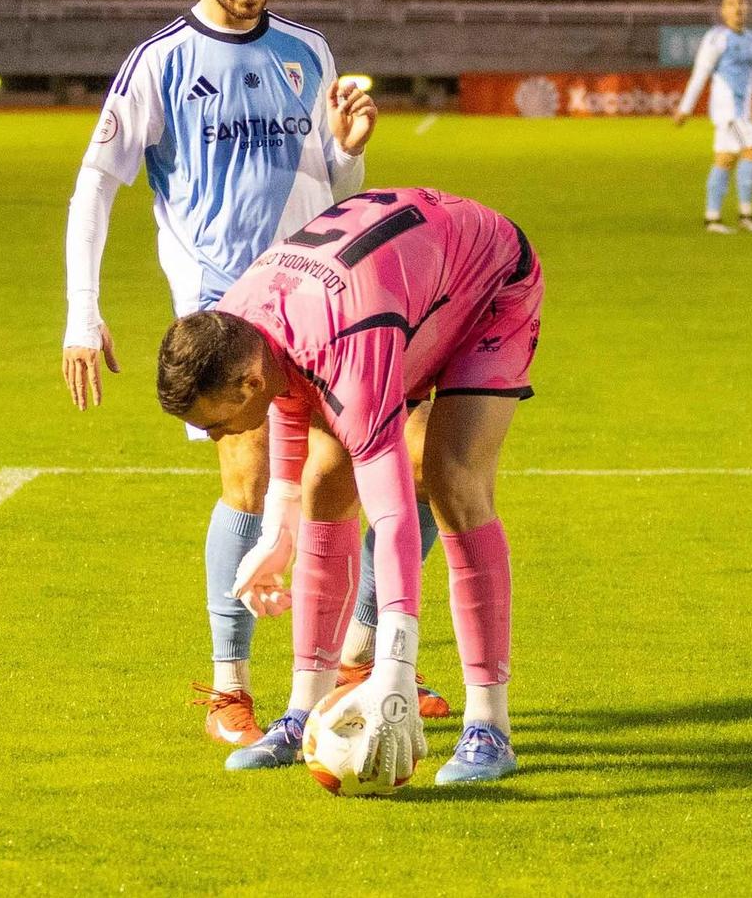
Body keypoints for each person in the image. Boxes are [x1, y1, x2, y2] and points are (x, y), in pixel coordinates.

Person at [59, 0, 436, 761]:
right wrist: (84, 311)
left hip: (320, 297)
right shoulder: (160, 61)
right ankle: (230, 685)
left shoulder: (307, 51)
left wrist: (350, 149)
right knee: (252, 477)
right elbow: (95, 184)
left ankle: (360, 658)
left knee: (379, 458)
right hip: (225, 305)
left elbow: (337, 194)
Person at [157, 187, 543, 787]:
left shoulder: (344, 350)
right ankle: (301, 710)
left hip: (488, 285)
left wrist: (396, 660)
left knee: (450, 481)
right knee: (323, 486)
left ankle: (489, 728)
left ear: (246, 381)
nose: (212, 438)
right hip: (399, 292)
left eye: (213, 422)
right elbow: (286, 392)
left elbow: (391, 516)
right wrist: (280, 527)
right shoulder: (238, 320)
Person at [674, 0, 752, 233]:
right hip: (728, 110)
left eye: (741, 3)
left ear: (746, 8)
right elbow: (700, 73)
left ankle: (712, 217)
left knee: (725, 160)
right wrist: (686, 107)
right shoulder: (717, 38)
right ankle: (746, 214)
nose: (737, 8)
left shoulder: (750, 38)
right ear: (723, 11)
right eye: (730, 4)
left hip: (743, 109)